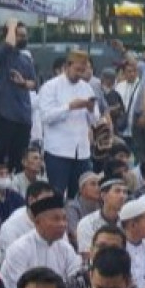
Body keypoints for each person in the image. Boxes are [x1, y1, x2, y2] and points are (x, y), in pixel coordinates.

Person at [39, 50, 99, 199]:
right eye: (77, 70)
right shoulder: (50, 87)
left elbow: (94, 120)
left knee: (79, 196)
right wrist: (69, 107)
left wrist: (90, 109)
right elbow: (46, 117)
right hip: (58, 151)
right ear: (67, 66)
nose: (79, 74)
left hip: (82, 152)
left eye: (82, 71)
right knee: (57, 194)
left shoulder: (86, 88)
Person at [0, 193, 82, 288]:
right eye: (56, 219)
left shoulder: (66, 248)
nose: (63, 224)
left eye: (64, 219)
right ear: (37, 222)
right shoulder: (19, 249)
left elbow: (76, 279)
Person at [0, 20, 38, 172]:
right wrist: (11, 25)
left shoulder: (25, 59)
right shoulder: (0, 54)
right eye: (20, 35)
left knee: (18, 163)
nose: (24, 38)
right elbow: (8, 46)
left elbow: (34, 83)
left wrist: (23, 83)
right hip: (4, 115)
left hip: (23, 117)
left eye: (25, 35)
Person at [77, 176, 128, 257]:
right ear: (104, 196)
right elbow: (87, 255)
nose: (122, 196)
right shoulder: (87, 223)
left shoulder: (128, 221)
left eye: (125, 192)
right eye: (117, 191)